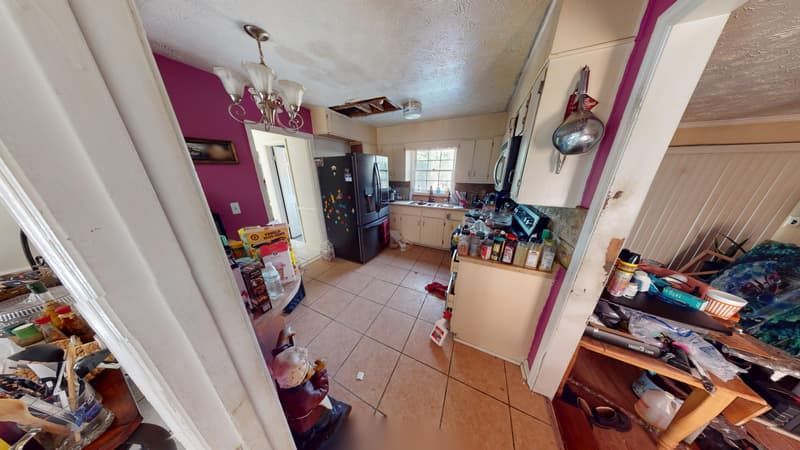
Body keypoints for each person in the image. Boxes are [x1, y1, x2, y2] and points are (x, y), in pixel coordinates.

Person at [270, 326, 351, 450]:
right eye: (305, 365)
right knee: (329, 412)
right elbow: (322, 390)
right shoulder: (306, 397)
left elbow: (281, 358)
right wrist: (321, 371)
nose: (309, 364)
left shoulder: (282, 381)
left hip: (295, 420)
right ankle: (326, 424)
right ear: (299, 376)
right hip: (308, 422)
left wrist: (283, 336)